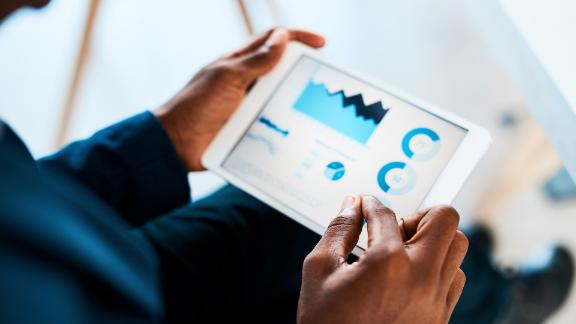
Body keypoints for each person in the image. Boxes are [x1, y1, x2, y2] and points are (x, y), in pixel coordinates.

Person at [0, 1, 572, 323]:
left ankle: (483, 292)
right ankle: (499, 307)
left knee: (299, 211)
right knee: (383, 273)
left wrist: (155, 145)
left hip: (85, 274)